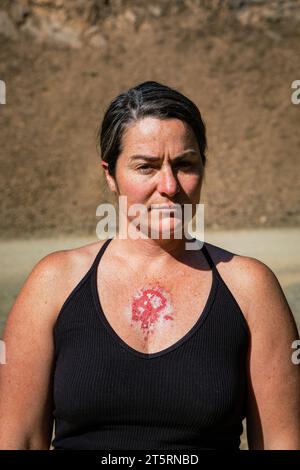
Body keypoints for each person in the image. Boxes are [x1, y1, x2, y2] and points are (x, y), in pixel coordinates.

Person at [0, 81, 299, 450]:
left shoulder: (250, 288)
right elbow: (20, 440)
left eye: (185, 164)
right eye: (146, 167)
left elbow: (282, 442)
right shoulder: (54, 283)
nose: (170, 185)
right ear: (110, 174)